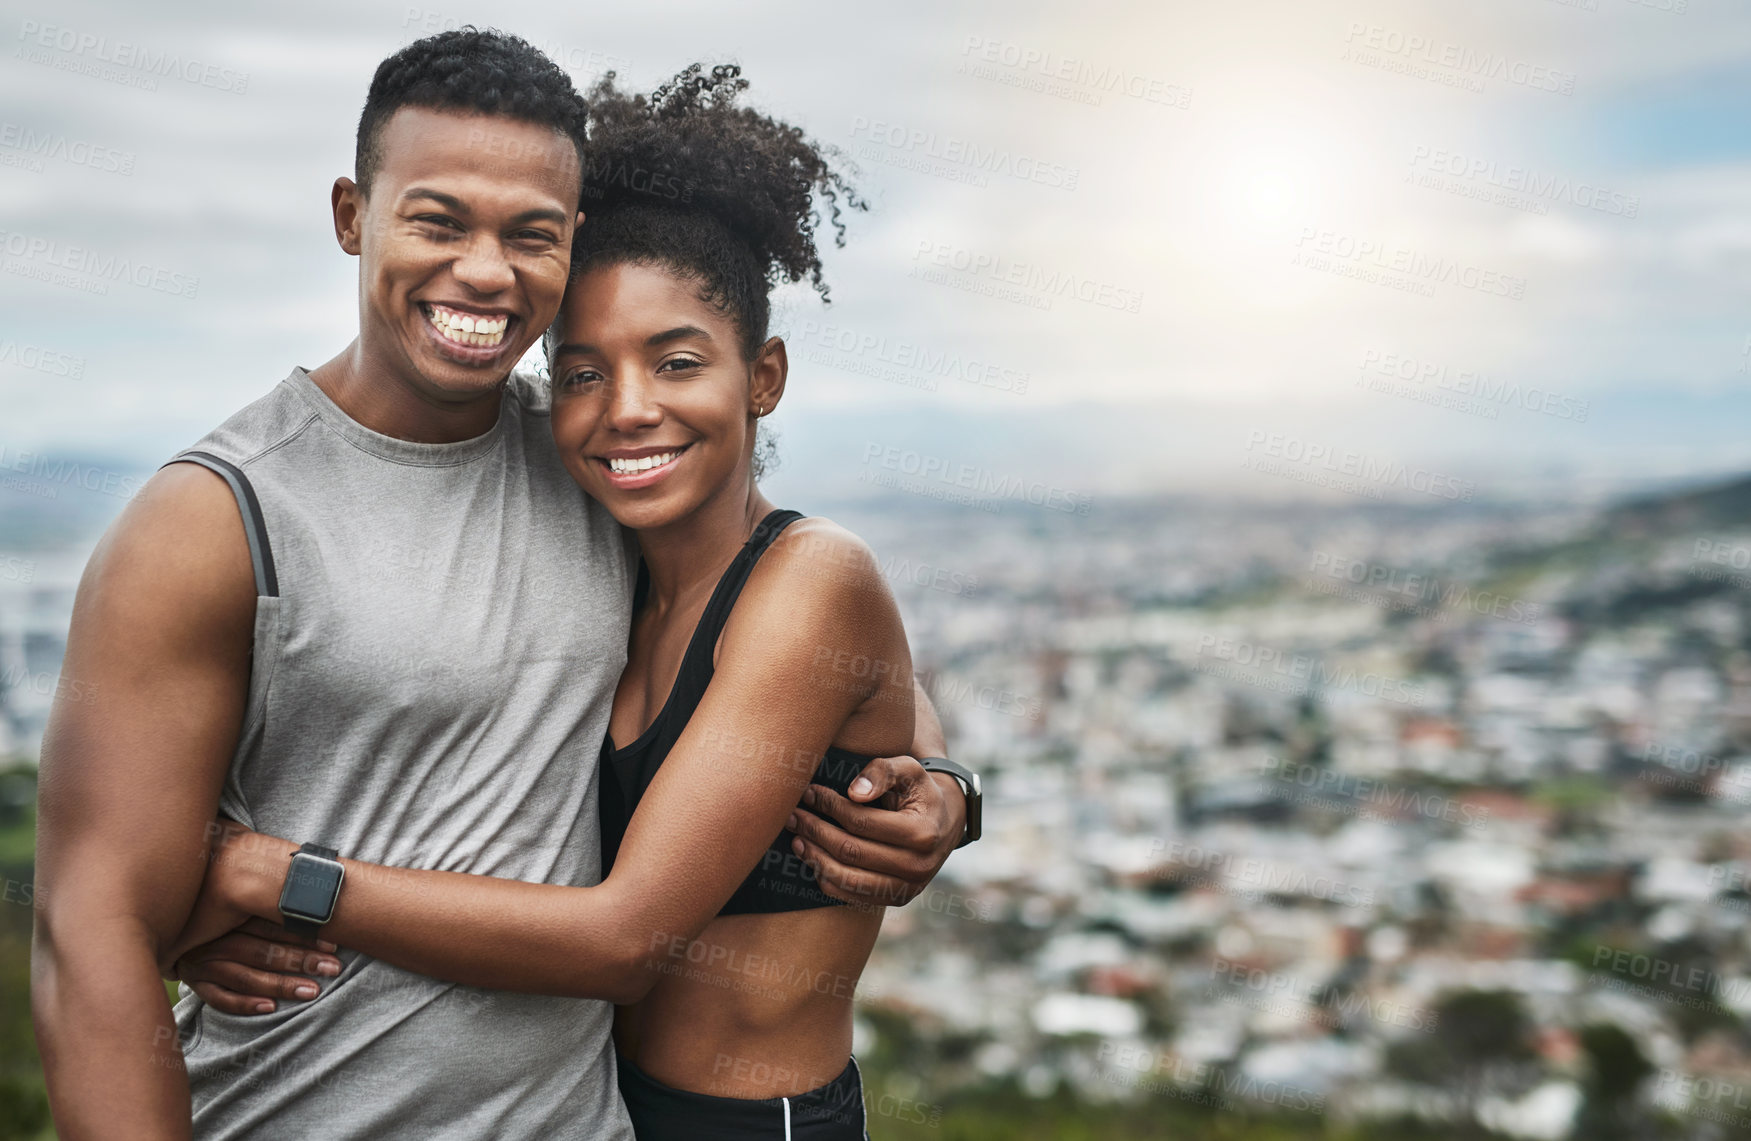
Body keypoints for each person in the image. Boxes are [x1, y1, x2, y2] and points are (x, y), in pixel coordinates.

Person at [31, 31, 973, 1141]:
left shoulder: (595, 461)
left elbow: (819, 646)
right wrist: (197, 903)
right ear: (351, 216)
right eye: (438, 220)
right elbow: (90, 939)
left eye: (529, 235)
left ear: (569, 248)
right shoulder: (213, 520)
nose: (484, 270)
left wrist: (945, 791)